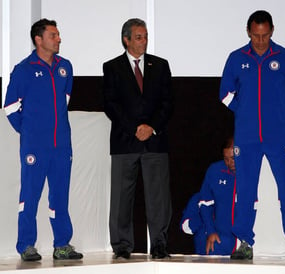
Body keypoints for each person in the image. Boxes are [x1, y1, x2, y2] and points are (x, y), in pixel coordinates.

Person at [219, 10, 285, 261]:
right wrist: (246, 112)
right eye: (256, 35)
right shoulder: (236, 58)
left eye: (265, 35)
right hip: (247, 138)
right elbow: (225, 94)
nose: (260, 41)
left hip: (279, 137)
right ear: (249, 32)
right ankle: (244, 242)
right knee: (246, 190)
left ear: (272, 32)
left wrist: (279, 114)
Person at [4, 18, 83, 261]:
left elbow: (64, 101)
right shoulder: (23, 69)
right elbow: (10, 108)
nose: (58, 39)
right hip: (34, 147)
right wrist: (30, 132)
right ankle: (26, 245)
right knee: (30, 194)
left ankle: (62, 244)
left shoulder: (65, 67)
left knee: (60, 195)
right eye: (53, 35)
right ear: (38, 40)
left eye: (58, 35)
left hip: (62, 146)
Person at [103, 18, 173, 259]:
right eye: (139, 37)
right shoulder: (112, 67)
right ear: (127, 39)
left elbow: (168, 103)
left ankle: (159, 244)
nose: (144, 41)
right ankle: (122, 246)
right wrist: (135, 128)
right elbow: (111, 105)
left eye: (145, 37)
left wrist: (151, 127)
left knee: (159, 197)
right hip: (125, 141)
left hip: (155, 140)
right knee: (122, 198)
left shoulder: (160, 65)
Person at [180, 138, 237, 255]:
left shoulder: (252, 173)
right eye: (226, 159)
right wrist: (208, 230)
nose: (230, 163)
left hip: (241, 240)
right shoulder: (215, 171)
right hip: (216, 241)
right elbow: (186, 226)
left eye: (233, 158)